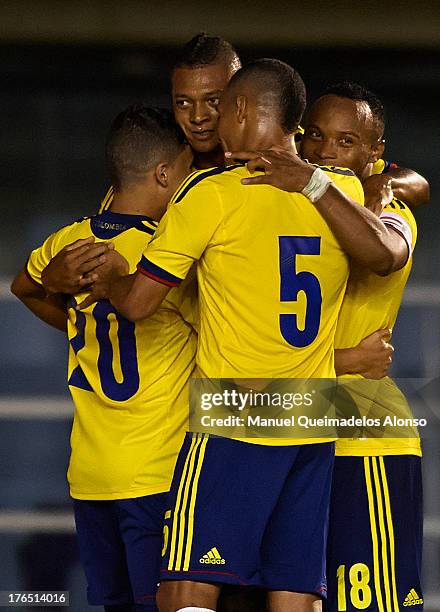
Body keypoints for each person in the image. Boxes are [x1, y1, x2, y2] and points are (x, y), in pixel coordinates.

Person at [82, 58, 417, 612]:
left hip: (235, 412)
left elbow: (141, 305)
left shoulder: (211, 190)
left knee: (185, 589)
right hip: (312, 417)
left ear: (240, 109)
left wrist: (115, 278)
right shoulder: (341, 193)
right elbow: (384, 253)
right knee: (293, 593)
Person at [229, 81, 424, 611]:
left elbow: (385, 249)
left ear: (373, 153)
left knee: (369, 602)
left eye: (345, 142)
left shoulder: (386, 214)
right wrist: (344, 359)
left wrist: (383, 185)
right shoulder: (273, 211)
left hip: (363, 432)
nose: (323, 153)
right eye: (315, 137)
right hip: (288, 424)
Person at [39, 33, 428, 297]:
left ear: (242, 99)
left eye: (214, 100)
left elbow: (415, 183)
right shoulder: (155, 176)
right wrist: (53, 281)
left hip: (272, 378)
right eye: (183, 102)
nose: (199, 116)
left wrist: (388, 183)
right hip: (189, 383)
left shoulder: (291, 165)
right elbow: (105, 291)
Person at [11, 106, 196, 612]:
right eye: (187, 171)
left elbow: (22, 286)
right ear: (164, 173)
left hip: (91, 475)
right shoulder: (167, 254)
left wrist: (66, 306)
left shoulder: (68, 242)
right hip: (157, 474)